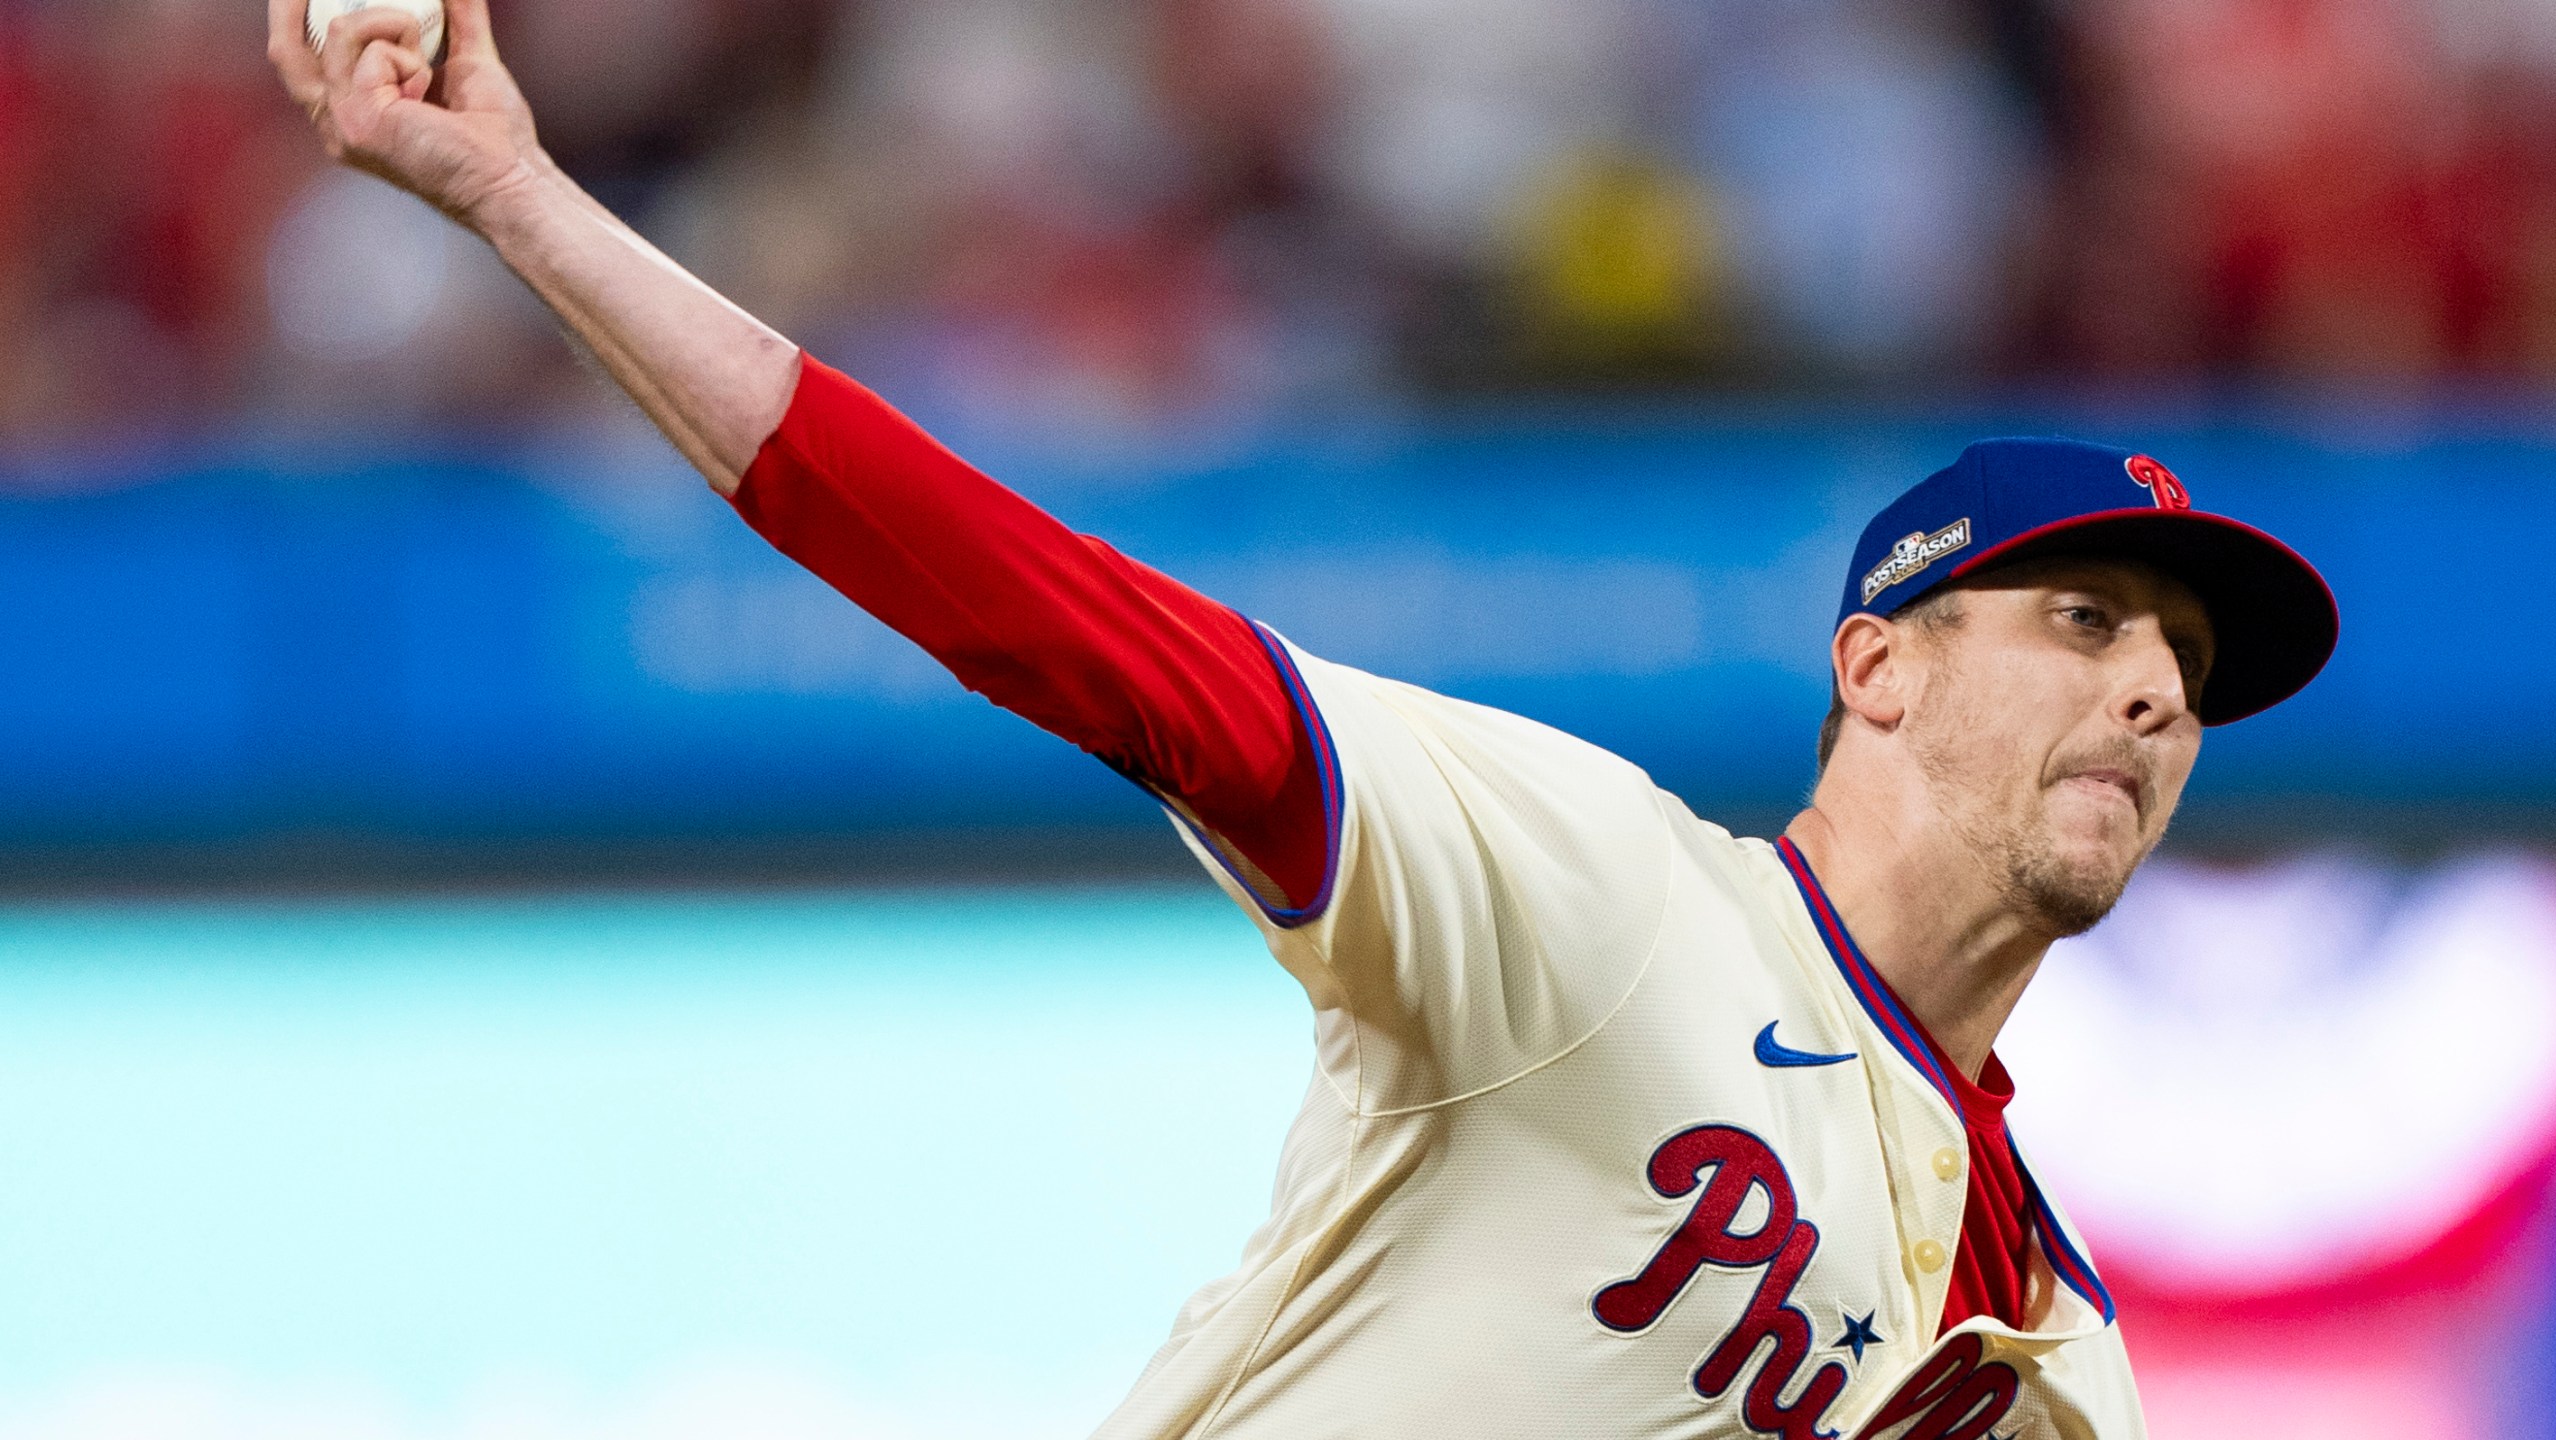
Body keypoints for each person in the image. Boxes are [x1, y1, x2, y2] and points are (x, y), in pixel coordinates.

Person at [268, 5, 2338, 1436]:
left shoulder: (2052, 1360)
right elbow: (1056, 621)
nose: (2152, 691)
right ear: (1873, 665)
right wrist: (529, 206)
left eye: (2185, 671)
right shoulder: (1606, 900)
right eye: (2078, 618)